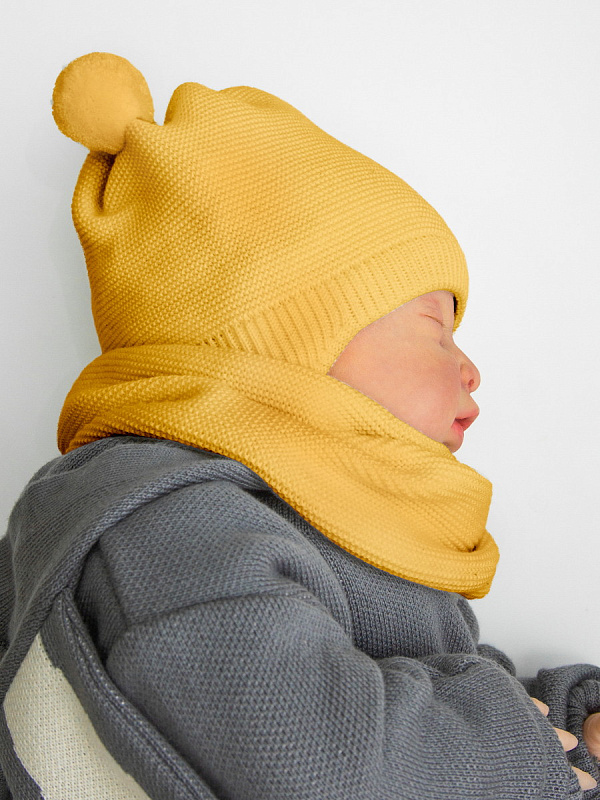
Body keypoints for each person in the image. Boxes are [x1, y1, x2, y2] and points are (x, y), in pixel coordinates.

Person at [0, 50, 599, 799]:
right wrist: (523, 744)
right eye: (436, 328)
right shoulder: (167, 525)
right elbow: (319, 764)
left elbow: (412, 689)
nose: (470, 368)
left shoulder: (301, 517)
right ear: (288, 341)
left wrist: (573, 725)